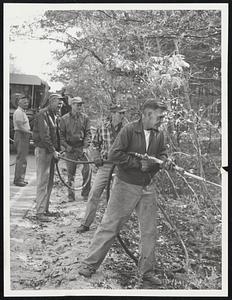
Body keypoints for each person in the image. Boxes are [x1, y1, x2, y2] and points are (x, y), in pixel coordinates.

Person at [78, 99, 174, 288]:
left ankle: (146, 273)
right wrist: (139, 164)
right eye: (159, 116)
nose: (162, 120)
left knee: (149, 231)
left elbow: (162, 153)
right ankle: (89, 264)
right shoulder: (129, 130)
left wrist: (165, 161)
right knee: (110, 225)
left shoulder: (159, 134)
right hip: (126, 185)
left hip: (148, 187)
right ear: (147, 115)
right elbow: (115, 154)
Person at [76, 103, 127, 233]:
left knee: (116, 197)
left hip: (120, 167)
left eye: (123, 113)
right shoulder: (103, 127)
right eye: (120, 113)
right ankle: (86, 223)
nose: (122, 115)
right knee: (94, 193)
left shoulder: (127, 129)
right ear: (113, 114)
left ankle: (113, 227)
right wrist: (96, 156)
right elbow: (95, 144)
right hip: (105, 166)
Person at [32, 93, 63, 222]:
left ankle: (45, 209)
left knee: (50, 182)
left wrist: (58, 151)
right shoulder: (42, 114)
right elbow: (45, 136)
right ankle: (39, 213)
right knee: (42, 182)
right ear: (51, 102)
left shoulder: (55, 116)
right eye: (58, 103)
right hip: (44, 150)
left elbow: (56, 134)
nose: (60, 106)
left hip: (51, 151)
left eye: (61, 104)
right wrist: (53, 150)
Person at [59, 96, 92, 202]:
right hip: (70, 148)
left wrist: (85, 147)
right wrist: (66, 147)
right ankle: (71, 195)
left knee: (87, 170)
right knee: (70, 173)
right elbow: (61, 136)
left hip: (81, 147)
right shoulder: (64, 119)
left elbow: (88, 133)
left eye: (81, 104)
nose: (79, 106)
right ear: (72, 105)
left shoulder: (85, 118)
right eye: (77, 104)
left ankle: (85, 194)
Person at [13, 94, 31, 187]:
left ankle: (21, 178)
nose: (26, 103)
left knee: (23, 158)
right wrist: (30, 133)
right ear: (19, 102)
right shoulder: (19, 112)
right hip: (21, 135)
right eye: (24, 102)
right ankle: (18, 180)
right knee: (21, 158)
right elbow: (19, 126)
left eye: (27, 102)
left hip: (24, 135)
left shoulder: (22, 112)